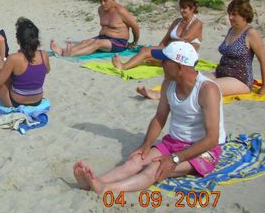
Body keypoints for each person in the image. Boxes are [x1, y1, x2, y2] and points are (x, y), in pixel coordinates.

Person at [73, 41, 225, 194]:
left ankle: (106, 189)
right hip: (174, 142)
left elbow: (212, 139)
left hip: (203, 150)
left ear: (179, 66)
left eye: (165, 61)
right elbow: (160, 117)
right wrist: (145, 145)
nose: (161, 64)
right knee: (135, 161)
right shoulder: (168, 84)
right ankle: (96, 182)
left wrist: (174, 159)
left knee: (156, 168)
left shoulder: (206, 90)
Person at [114, 0, 203, 73]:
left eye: (184, 8)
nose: (181, 10)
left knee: (146, 52)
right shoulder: (177, 21)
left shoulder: (197, 23)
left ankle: (123, 66)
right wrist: (157, 49)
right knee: (146, 50)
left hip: (185, 56)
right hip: (172, 52)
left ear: (192, 9)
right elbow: (165, 40)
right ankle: (154, 60)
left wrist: (155, 50)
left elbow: (184, 40)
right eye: (180, 8)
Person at [50, 0, 140, 57]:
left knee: (97, 44)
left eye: (105, 1)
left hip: (118, 42)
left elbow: (135, 27)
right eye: (100, 1)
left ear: (113, 0)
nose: (102, 3)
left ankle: (71, 53)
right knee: (86, 42)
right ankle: (62, 51)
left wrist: (134, 42)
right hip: (103, 37)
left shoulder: (121, 11)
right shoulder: (100, 9)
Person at [206, 0, 264, 95]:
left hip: (240, 79)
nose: (230, 17)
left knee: (207, 88)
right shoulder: (231, 30)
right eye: (229, 14)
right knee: (194, 82)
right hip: (221, 73)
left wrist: (264, 86)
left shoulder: (250, 33)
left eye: (234, 14)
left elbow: (263, 60)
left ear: (244, 16)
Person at [0, 17, 50, 107]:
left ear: (18, 40)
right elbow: (46, 70)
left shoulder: (14, 58)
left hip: (17, 102)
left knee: (1, 81)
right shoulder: (44, 55)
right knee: (13, 74)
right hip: (37, 100)